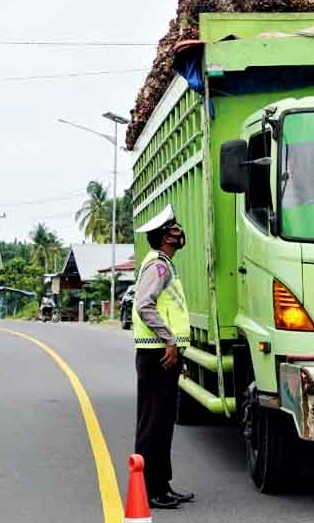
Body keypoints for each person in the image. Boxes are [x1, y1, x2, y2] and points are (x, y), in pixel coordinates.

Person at [132, 204, 194, 510]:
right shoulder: (158, 266)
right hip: (157, 354)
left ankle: (162, 486)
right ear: (164, 236)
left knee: (163, 423)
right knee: (154, 424)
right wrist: (170, 341)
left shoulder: (165, 264)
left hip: (164, 355)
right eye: (174, 228)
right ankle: (149, 490)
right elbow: (145, 305)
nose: (179, 231)